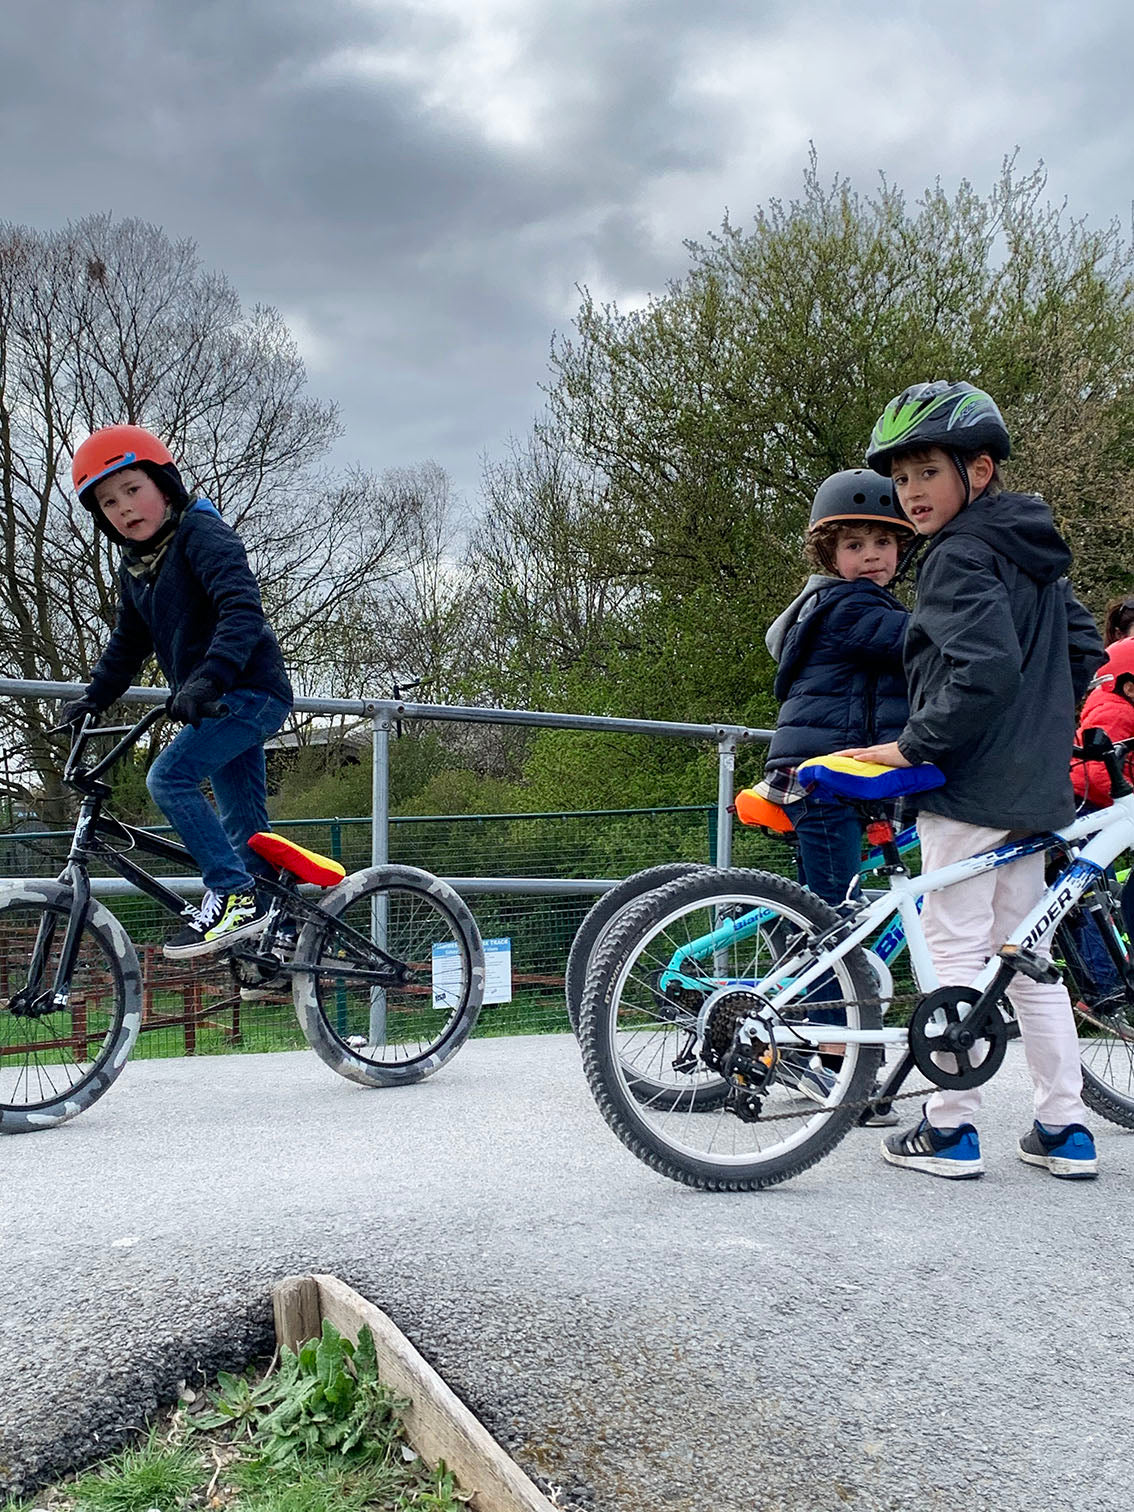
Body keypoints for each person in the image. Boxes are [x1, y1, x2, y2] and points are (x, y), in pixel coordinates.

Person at [845, 380, 1105, 1180]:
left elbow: (983, 670)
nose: (910, 492)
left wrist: (917, 744)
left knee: (956, 949)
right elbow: (1085, 654)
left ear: (979, 470)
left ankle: (950, 1127)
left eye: (927, 472)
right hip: (1034, 793)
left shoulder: (959, 554)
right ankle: (1065, 1131)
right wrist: (1044, 731)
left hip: (965, 786)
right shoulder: (1037, 553)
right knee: (1026, 957)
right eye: (902, 477)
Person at [62, 424, 293, 959]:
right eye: (108, 503)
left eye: (132, 489)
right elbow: (127, 644)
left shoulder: (202, 535)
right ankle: (272, 941)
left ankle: (237, 895)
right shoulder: (138, 569)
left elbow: (241, 610)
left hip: (249, 693)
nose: (124, 508)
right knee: (245, 826)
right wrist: (94, 697)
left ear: (164, 486)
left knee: (169, 776)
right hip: (214, 703)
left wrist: (209, 675)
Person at [760, 469, 914, 1112]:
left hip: (840, 780)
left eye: (883, 542)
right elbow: (923, 646)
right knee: (836, 923)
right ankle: (825, 1062)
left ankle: (803, 1033)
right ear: (831, 556)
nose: (872, 556)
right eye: (855, 545)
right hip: (826, 780)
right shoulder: (852, 606)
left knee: (829, 910)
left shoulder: (839, 604)